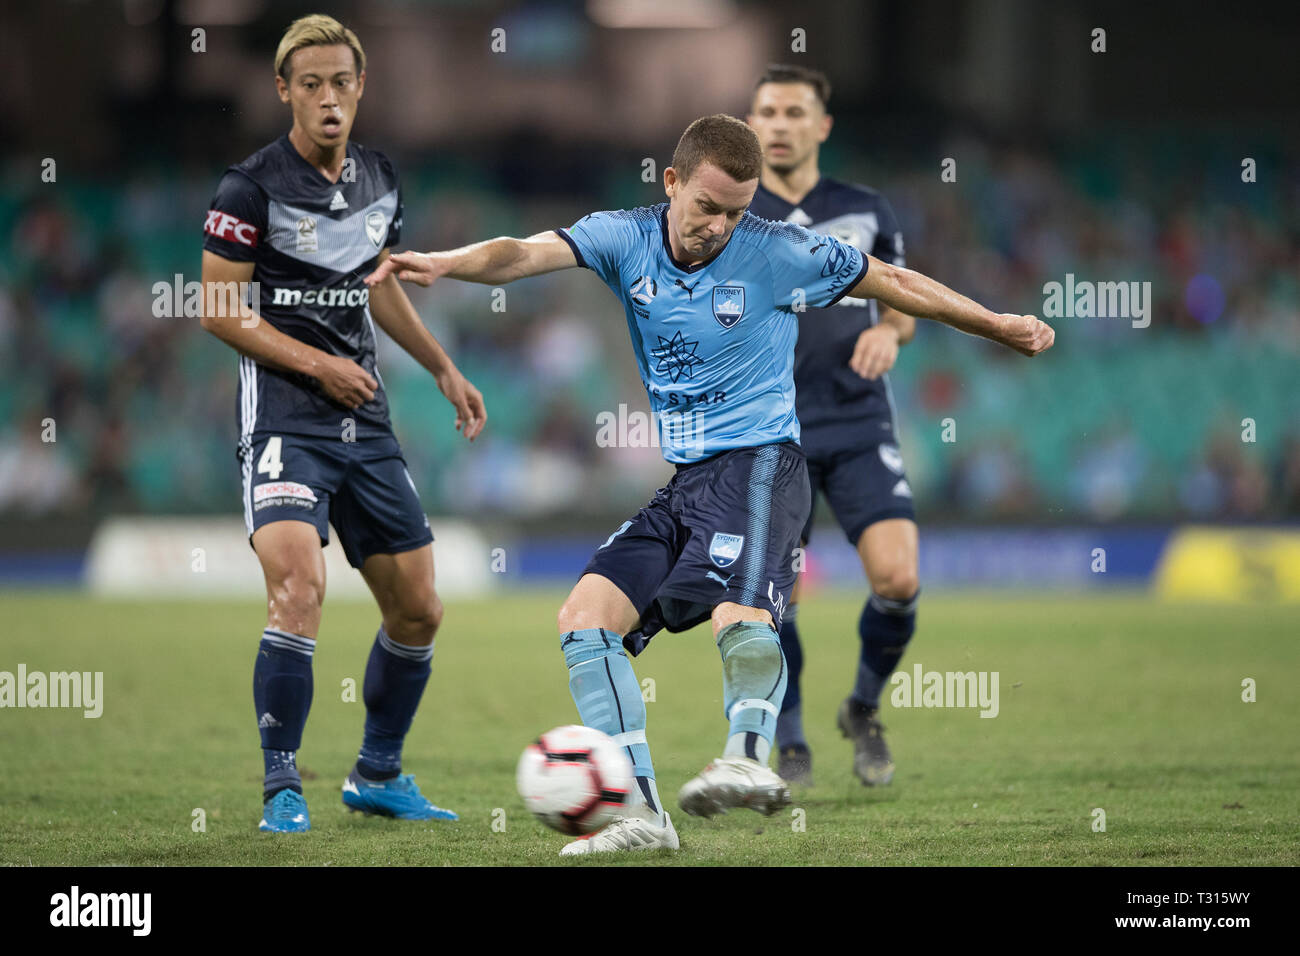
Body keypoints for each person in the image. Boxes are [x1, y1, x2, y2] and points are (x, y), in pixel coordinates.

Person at [367, 114, 1053, 854]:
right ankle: (642, 814)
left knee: (738, 615)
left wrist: (997, 325)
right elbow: (519, 255)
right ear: (671, 182)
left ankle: (750, 760)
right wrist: (442, 263)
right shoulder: (621, 236)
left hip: (762, 464)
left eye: (737, 211)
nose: (722, 226)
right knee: (585, 615)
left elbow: (893, 281)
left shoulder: (778, 251)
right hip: (688, 480)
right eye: (708, 207)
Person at [200, 14, 486, 832]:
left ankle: (377, 774)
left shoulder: (380, 177)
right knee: (299, 588)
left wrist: (440, 366)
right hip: (287, 418)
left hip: (365, 421)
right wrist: (317, 363)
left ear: (361, 89)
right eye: (312, 84)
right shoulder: (247, 187)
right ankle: (283, 784)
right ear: (284, 90)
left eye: (343, 84)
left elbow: (377, 281)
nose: (329, 99)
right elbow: (219, 310)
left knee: (420, 608)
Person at [746, 63, 917, 787]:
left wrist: (892, 335)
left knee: (898, 577)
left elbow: (903, 304)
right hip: (767, 431)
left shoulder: (867, 209)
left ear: (822, 126)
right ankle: (790, 741)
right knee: (773, 596)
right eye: (766, 112)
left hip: (855, 420)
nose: (778, 124)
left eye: (793, 112)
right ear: (750, 125)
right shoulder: (732, 213)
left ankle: (862, 707)